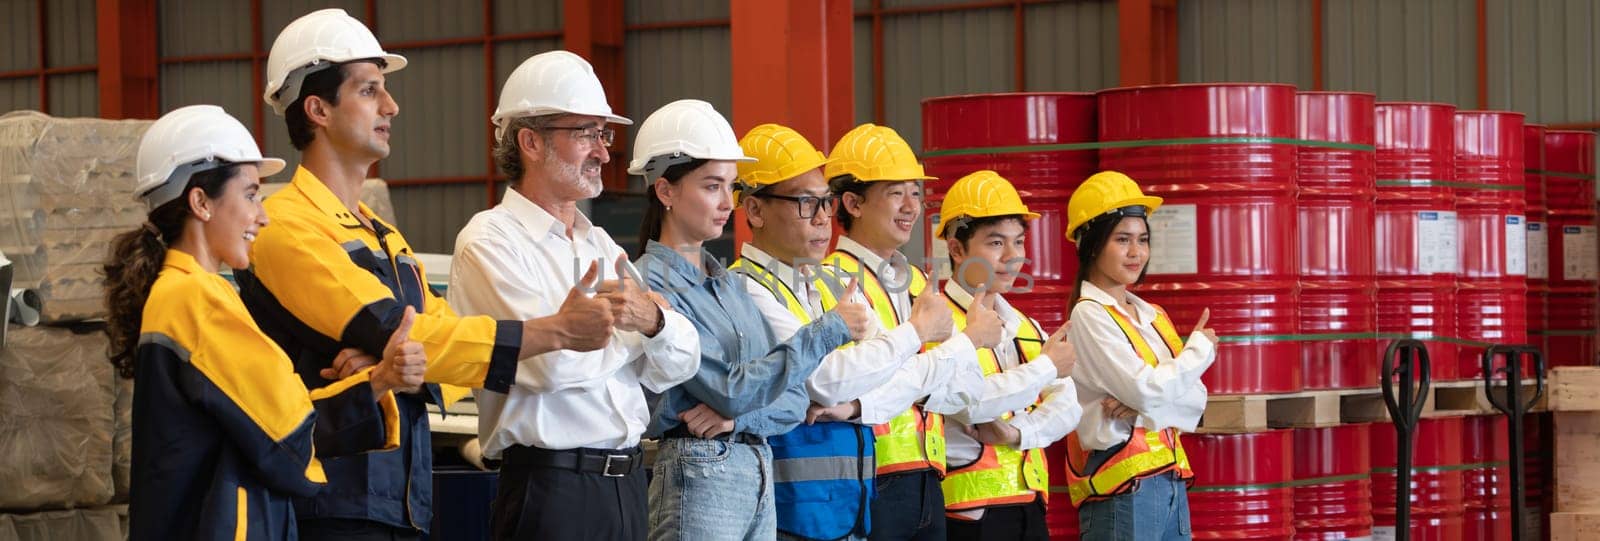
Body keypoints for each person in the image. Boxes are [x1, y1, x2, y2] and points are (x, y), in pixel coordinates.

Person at [237, 9, 612, 539]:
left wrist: (399, 360)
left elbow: (438, 341)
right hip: (328, 503)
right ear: (317, 109)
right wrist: (554, 331)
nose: (391, 106)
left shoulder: (384, 237)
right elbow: (407, 331)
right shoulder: (287, 228)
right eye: (370, 91)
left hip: (399, 501)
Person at [107, 105, 425, 540]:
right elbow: (288, 431)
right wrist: (375, 383)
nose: (263, 215)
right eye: (251, 195)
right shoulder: (197, 298)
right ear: (200, 202)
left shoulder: (179, 292)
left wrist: (376, 380)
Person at [447, 51, 701, 541]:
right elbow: (549, 365)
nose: (604, 152)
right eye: (587, 133)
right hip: (550, 489)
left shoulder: (598, 242)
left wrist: (651, 322)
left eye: (603, 135)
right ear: (530, 142)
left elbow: (679, 363)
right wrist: (634, 336)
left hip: (626, 486)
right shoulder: (488, 242)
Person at [630, 100, 875, 540]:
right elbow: (732, 389)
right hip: (697, 471)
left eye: (730, 187)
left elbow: (794, 400)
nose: (728, 203)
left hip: (753, 466)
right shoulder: (653, 284)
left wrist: (736, 420)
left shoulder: (726, 284)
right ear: (665, 191)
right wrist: (830, 329)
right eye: (711, 186)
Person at [729, 124, 959, 541]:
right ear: (755, 210)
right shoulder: (746, 288)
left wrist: (866, 389)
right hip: (791, 506)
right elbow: (827, 380)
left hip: (847, 500)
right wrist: (914, 335)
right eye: (804, 203)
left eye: (824, 203)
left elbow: (891, 371)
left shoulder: (821, 285)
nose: (822, 219)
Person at [822, 123, 988, 541]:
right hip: (868, 477)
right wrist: (932, 369)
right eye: (896, 193)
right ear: (853, 203)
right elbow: (867, 381)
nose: (912, 206)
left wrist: (914, 382)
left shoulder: (918, 281)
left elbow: (966, 389)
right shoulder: (833, 280)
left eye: (916, 192)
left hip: (929, 478)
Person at [1063, 171, 1218, 541]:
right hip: (1122, 490)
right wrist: (1200, 350)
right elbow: (1149, 389)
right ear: (1091, 244)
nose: (1137, 252)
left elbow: (1196, 400)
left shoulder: (1152, 315)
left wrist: (1141, 407)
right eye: (1122, 240)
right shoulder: (1089, 315)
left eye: (1143, 240)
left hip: (1170, 480)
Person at [931, 170, 1080, 540]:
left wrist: (1016, 433)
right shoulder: (937, 321)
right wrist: (1045, 368)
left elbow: (1069, 407)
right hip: (967, 516)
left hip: (1028, 505)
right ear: (956, 247)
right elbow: (970, 401)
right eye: (996, 243)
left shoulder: (1025, 326)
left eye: (1019, 242)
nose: (1013, 257)